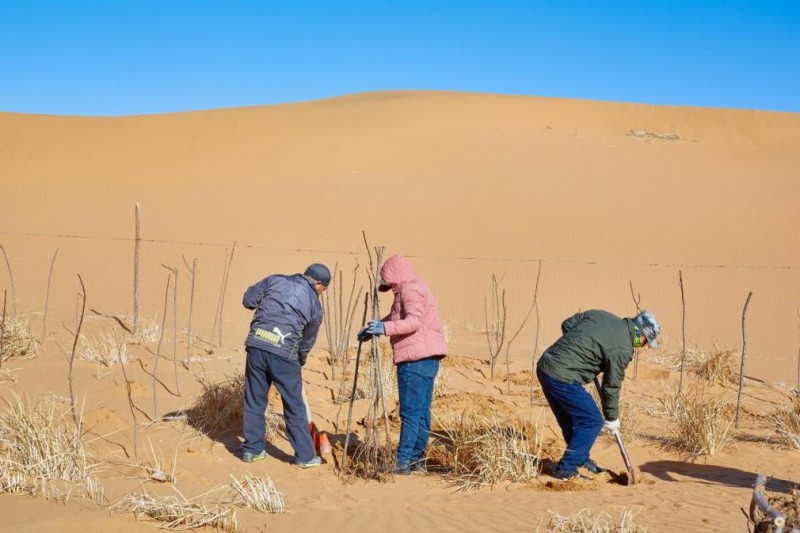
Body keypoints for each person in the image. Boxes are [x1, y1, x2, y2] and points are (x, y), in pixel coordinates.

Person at [536, 309, 660, 480]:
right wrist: (612, 418)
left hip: (545, 367)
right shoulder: (622, 348)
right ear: (640, 332)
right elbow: (611, 386)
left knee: (572, 420)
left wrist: (587, 349)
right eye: (646, 341)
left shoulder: (601, 315)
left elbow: (568, 324)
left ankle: (580, 459)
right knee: (592, 420)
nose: (644, 345)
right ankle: (566, 469)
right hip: (563, 377)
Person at [358, 255, 448, 475]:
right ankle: (415, 460)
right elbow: (398, 315)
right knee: (420, 412)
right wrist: (377, 326)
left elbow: (413, 321)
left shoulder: (410, 290)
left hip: (414, 360)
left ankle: (403, 462)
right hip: (427, 358)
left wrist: (384, 329)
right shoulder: (413, 288)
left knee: (409, 413)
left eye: (388, 283)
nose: (388, 288)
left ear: (394, 277)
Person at [240, 262, 331, 467]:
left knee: (254, 400)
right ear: (318, 283)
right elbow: (308, 339)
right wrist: (300, 358)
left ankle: (253, 450)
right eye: (323, 290)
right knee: (294, 404)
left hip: (256, 345)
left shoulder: (275, 280)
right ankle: (306, 456)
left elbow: (248, 300)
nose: (321, 295)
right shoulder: (315, 306)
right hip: (284, 353)